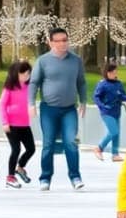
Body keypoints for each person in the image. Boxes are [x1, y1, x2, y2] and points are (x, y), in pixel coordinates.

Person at [29, 27, 88, 191]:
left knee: (71, 142)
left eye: (65, 40)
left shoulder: (76, 60)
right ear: (50, 42)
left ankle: (75, 176)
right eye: (59, 41)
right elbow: (34, 83)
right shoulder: (43, 61)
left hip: (69, 109)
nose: (63, 43)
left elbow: (81, 82)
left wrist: (83, 101)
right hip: (49, 109)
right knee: (48, 143)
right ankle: (45, 177)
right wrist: (31, 104)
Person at [0, 61, 35, 189]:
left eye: (28, 74)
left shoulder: (30, 86)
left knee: (31, 149)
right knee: (16, 149)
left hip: (25, 125)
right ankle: (10, 177)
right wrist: (5, 122)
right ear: (16, 74)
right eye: (23, 74)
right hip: (12, 125)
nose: (26, 76)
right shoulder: (9, 87)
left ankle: (20, 167)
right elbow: (2, 105)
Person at [93, 63, 126, 162]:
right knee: (114, 131)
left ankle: (115, 154)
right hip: (106, 112)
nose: (114, 74)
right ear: (107, 73)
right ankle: (99, 148)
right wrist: (102, 106)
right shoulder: (102, 84)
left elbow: (122, 95)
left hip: (117, 111)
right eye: (112, 72)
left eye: (115, 72)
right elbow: (96, 97)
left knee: (116, 133)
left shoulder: (118, 83)